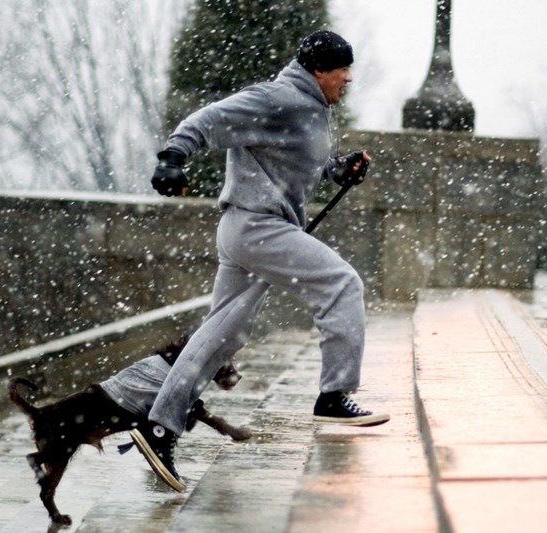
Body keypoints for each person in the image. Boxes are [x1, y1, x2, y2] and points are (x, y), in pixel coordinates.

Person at [130, 30, 390, 492]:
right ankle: (334, 395)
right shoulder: (277, 97)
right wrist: (173, 156)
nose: (348, 78)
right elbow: (208, 119)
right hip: (257, 226)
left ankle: (159, 427)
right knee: (343, 284)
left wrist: (338, 170)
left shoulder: (311, 108)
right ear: (319, 70)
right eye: (342, 70)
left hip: (251, 228)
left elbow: (299, 163)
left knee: (222, 333)